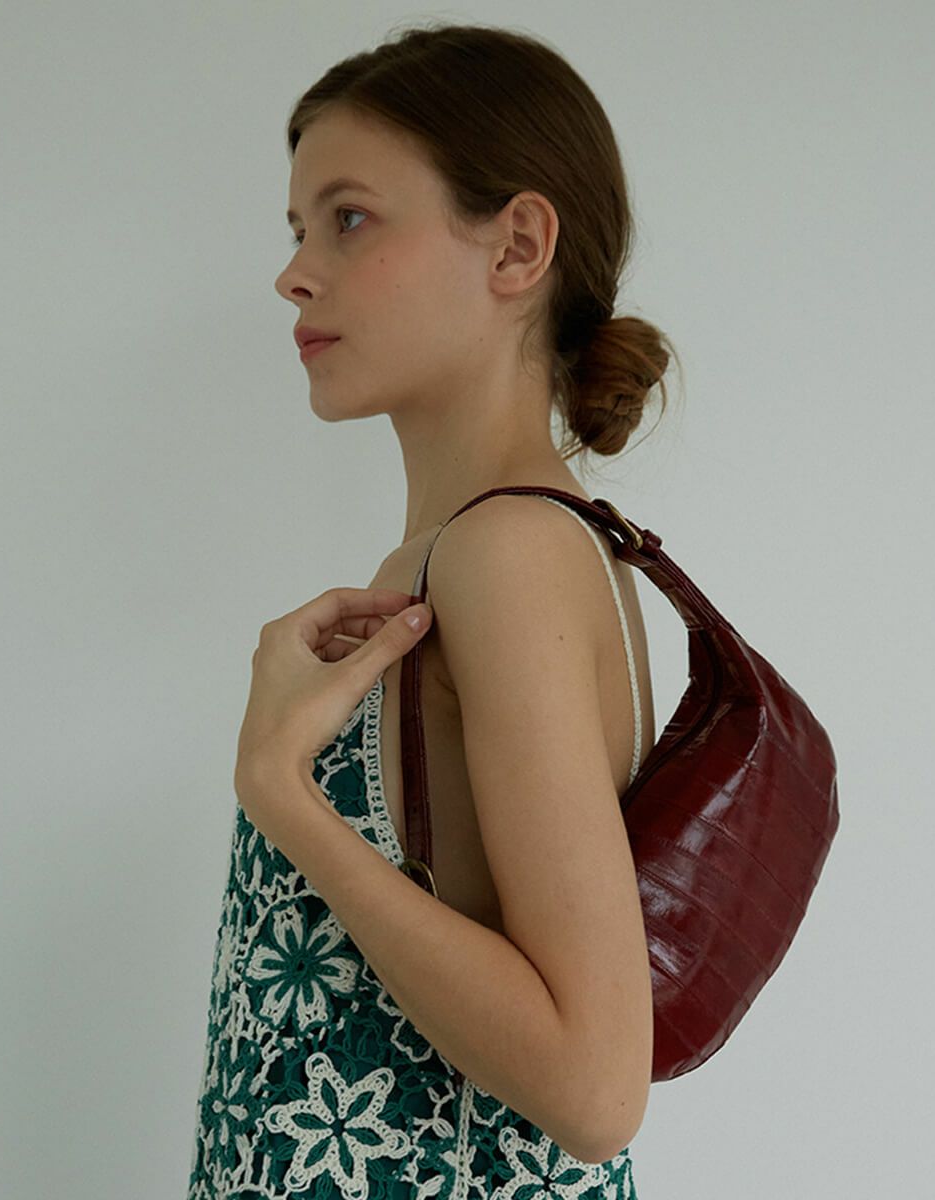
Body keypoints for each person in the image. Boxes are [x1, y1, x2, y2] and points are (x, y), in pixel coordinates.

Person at [187, 20, 682, 1199]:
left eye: (350, 218)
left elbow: (595, 1089)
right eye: (299, 229)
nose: (295, 273)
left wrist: (280, 791)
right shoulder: (464, 553)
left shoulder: (509, 553)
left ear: (516, 246)